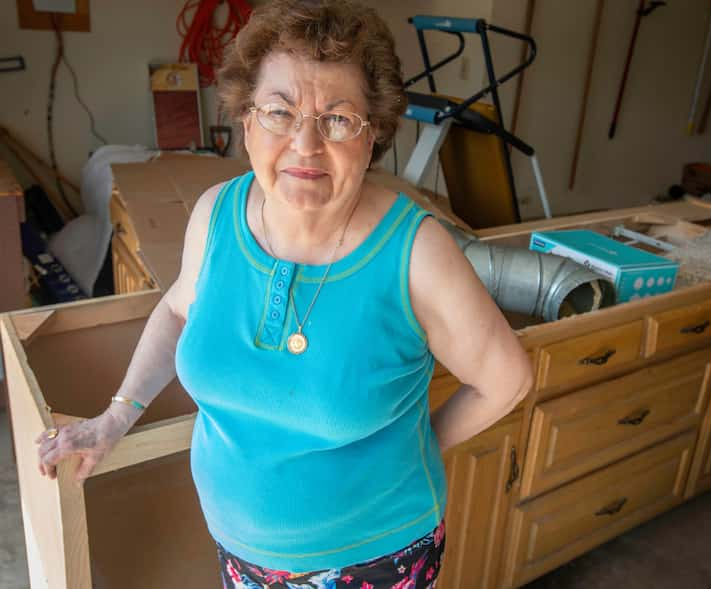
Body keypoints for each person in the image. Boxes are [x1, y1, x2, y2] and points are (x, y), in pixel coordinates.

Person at [34, 1, 533, 586]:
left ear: (373, 136)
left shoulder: (418, 254)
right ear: (246, 122)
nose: (305, 144)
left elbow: (507, 380)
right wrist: (117, 416)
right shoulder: (216, 216)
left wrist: (414, 448)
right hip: (238, 552)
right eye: (279, 111)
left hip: (371, 560)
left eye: (338, 119)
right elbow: (176, 310)